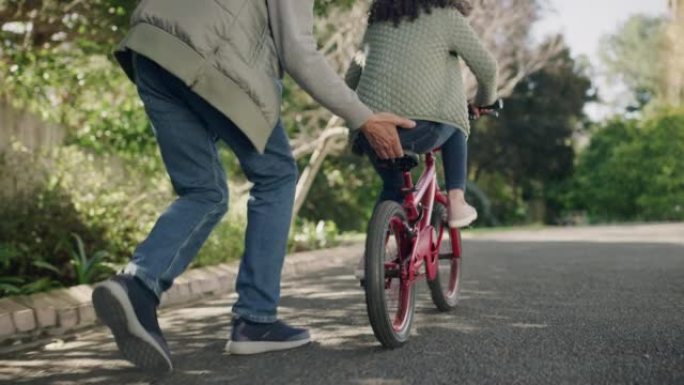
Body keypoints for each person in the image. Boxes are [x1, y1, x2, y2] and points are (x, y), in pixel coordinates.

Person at [91, 0, 415, 372]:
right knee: (277, 175)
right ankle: (255, 319)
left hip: (150, 48)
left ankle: (137, 286)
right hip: (213, 56)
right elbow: (299, 54)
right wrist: (365, 118)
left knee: (203, 191)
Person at [346, 0, 498, 240]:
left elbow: (351, 77)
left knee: (393, 188)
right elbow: (488, 69)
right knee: (457, 119)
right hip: (419, 128)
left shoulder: (377, 21)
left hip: (370, 129)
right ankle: (456, 200)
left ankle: (370, 260)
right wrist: (483, 102)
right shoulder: (446, 16)